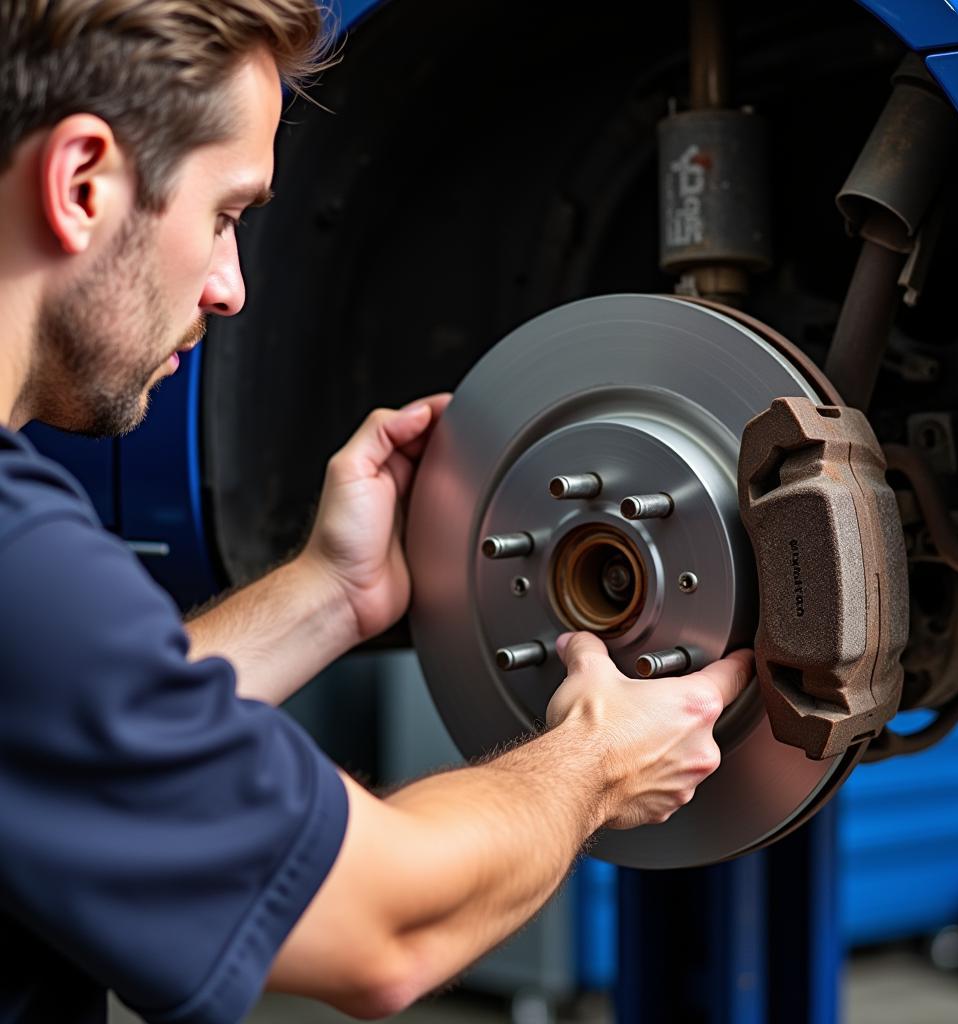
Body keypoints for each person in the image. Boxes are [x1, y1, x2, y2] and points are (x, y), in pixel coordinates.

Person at [0, 2, 754, 1021]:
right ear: (82, 181)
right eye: (225, 215)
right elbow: (379, 925)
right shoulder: (21, 561)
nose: (229, 290)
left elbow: (71, 731)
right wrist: (601, 758)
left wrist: (332, 594)